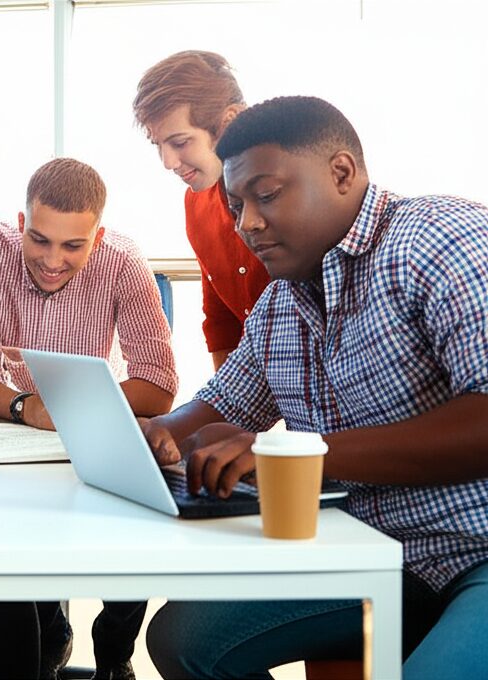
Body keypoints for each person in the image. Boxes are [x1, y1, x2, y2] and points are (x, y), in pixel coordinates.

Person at [140, 96, 488, 679]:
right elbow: (220, 405)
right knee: (185, 640)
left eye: (267, 195)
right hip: (374, 552)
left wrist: (293, 453)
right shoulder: (282, 301)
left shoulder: (439, 241)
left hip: (476, 547)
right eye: (236, 205)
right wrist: (152, 434)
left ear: (342, 173)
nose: (247, 222)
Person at [0, 157, 177, 680]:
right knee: (8, 559)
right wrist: (24, 407)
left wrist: (82, 409)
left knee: (142, 511)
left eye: (73, 246)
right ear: (22, 223)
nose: (52, 260)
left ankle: (113, 656)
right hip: (17, 433)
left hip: (98, 426)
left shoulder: (122, 260)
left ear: (96, 239)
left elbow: (160, 384)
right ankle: (37, 657)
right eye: (41, 240)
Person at [133, 50, 270, 370]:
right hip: (256, 391)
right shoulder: (196, 204)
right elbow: (221, 320)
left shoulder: (290, 199)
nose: (168, 163)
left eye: (180, 143)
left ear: (230, 122)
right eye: (159, 145)